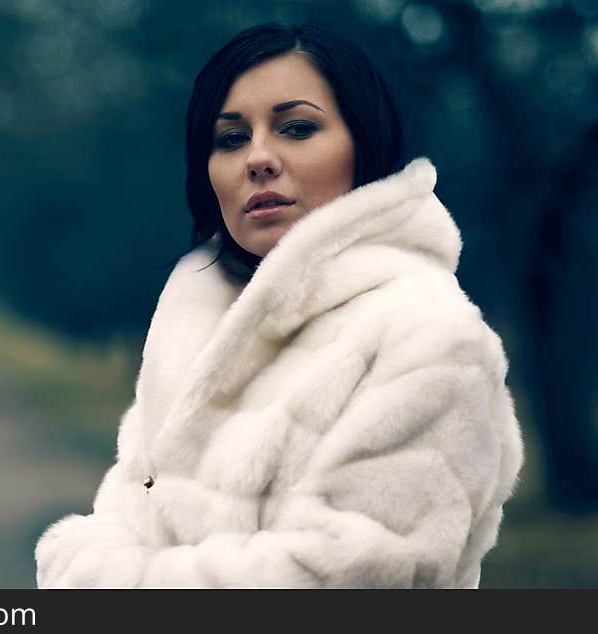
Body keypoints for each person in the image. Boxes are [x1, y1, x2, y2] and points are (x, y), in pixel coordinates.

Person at [34, 22, 524, 588]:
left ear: (364, 146)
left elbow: (353, 574)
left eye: (296, 127)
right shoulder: (196, 330)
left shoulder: (427, 336)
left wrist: (106, 580)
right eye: (230, 139)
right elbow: (123, 514)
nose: (258, 158)